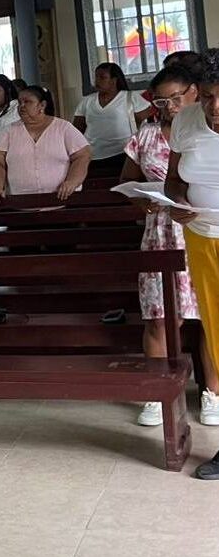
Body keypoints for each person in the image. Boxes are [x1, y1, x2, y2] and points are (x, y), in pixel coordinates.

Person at [121, 66, 215, 427]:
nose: (169, 106)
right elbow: (127, 179)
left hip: (202, 229)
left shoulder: (201, 129)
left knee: (208, 318)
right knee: (159, 317)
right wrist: (140, 200)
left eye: (176, 98)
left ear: (193, 92)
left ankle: (212, 392)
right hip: (160, 232)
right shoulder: (145, 136)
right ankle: (156, 393)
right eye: (161, 100)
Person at [165, 50, 219, 479]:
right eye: (210, 97)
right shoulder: (186, 121)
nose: (216, 109)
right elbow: (173, 178)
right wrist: (177, 204)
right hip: (203, 239)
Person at [0, 86, 91, 202]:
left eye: (27, 102)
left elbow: (82, 155)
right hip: (20, 203)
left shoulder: (63, 128)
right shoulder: (9, 131)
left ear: (42, 105)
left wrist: (72, 181)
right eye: (20, 102)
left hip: (62, 201)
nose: (22, 106)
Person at [73, 62, 154, 173]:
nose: (97, 81)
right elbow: (77, 129)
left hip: (124, 154)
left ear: (114, 80)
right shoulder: (87, 101)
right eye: (96, 77)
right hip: (94, 155)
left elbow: (147, 124)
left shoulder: (130, 98)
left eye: (102, 77)